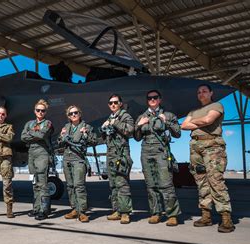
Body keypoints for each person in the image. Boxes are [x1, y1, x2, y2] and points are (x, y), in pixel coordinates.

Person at [181, 84, 235, 233]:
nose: (201, 93)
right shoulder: (193, 110)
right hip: (195, 147)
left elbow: (208, 120)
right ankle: (206, 215)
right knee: (201, 181)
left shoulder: (217, 105)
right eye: (199, 92)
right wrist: (200, 120)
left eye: (204, 91)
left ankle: (226, 218)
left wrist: (195, 122)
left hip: (212, 146)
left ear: (211, 93)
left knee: (215, 181)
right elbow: (183, 126)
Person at [134, 90, 182, 226]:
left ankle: (172, 214)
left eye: (155, 97)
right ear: (147, 100)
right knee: (151, 185)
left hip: (161, 152)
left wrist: (167, 122)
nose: (152, 99)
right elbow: (137, 138)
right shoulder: (142, 117)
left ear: (160, 99)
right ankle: (156, 213)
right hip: (146, 152)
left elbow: (178, 133)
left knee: (166, 184)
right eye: (150, 98)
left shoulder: (168, 115)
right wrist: (139, 125)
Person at [58, 105, 97, 222]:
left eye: (75, 113)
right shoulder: (66, 127)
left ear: (79, 114)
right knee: (70, 186)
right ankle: (74, 209)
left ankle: (82, 212)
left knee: (79, 186)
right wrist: (61, 136)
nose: (73, 115)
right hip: (67, 159)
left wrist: (85, 134)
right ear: (68, 116)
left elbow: (94, 140)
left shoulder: (86, 127)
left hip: (79, 159)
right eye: (71, 114)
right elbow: (59, 143)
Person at [100, 94, 134, 224]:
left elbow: (130, 130)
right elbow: (105, 138)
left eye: (115, 102)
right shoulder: (110, 117)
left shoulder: (125, 116)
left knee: (122, 184)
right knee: (113, 185)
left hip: (121, 154)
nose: (113, 105)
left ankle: (125, 212)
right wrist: (104, 129)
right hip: (111, 154)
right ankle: (117, 210)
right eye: (110, 103)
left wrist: (115, 123)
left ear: (120, 103)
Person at [21, 99, 54, 220]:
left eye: (43, 110)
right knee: (35, 182)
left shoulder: (48, 123)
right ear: (35, 111)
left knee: (42, 182)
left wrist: (31, 133)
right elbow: (23, 137)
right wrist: (34, 132)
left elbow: (42, 135)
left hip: (42, 153)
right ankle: (36, 208)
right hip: (31, 153)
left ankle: (44, 210)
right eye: (38, 110)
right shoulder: (29, 124)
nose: (40, 112)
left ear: (45, 112)